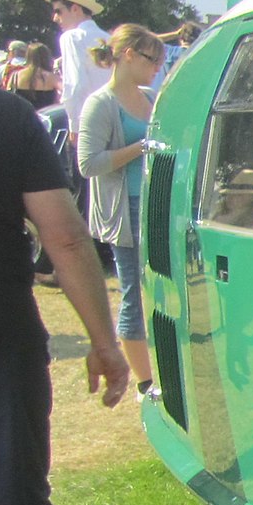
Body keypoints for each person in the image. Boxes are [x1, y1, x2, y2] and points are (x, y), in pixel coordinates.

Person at [0, 88, 132, 505]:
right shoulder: (5, 115)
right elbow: (66, 236)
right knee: (10, 477)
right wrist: (104, 342)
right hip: (2, 334)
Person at [76, 24, 163, 395]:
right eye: (151, 58)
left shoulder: (151, 97)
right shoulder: (100, 103)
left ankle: (159, 372)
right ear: (128, 54)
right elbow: (88, 164)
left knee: (159, 289)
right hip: (125, 211)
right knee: (133, 290)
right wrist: (140, 148)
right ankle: (145, 384)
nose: (157, 66)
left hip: (154, 206)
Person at [43, 0, 108, 140]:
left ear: (75, 9)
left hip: (88, 122)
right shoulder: (109, 38)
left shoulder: (71, 37)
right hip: (112, 119)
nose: (55, 18)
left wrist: (75, 126)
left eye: (59, 11)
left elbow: (75, 85)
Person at [8, 44, 60, 111]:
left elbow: (8, 97)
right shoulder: (52, 77)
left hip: (20, 117)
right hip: (43, 117)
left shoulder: (15, 76)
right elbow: (67, 93)